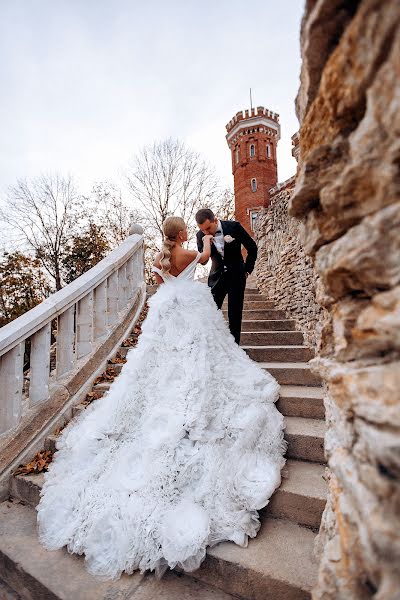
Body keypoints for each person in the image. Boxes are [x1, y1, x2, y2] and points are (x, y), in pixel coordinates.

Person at [36, 216, 286, 582]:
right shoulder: (187, 251)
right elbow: (203, 260)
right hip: (190, 307)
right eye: (188, 229)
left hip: (168, 309)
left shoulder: (160, 257)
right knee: (198, 354)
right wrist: (203, 244)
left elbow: (160, 280)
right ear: (183, 232)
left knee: (164, 358)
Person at [196, 208, 257, 345]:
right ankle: (211, 346)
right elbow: (204, 261)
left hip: (237, 276)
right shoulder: (200, 235)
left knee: (235, 314)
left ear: (215, 220)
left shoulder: (234, 227)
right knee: (210, 312)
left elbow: (252, 247)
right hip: (216, 278)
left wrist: (247, 270)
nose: (206, 232)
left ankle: (234, 348)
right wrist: (206, 244)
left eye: (208, 228)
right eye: (202, 229)